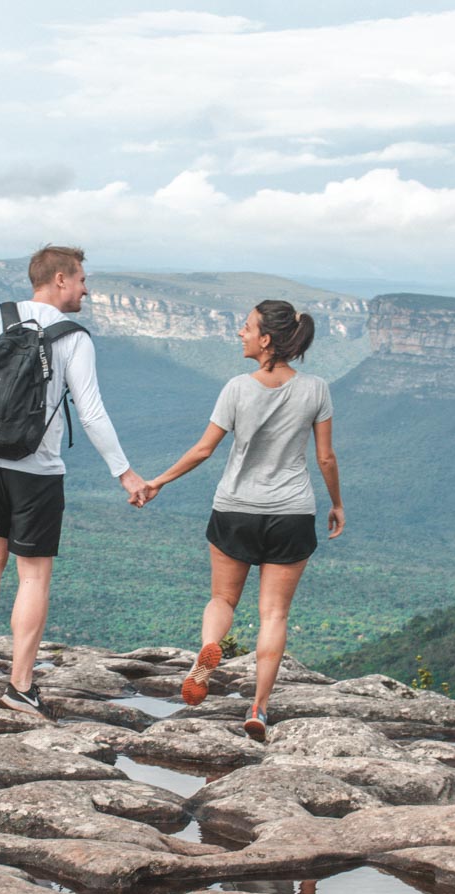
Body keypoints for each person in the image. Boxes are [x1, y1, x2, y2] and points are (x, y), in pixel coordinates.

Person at [0, 245, 149, 720]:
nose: (85, 289)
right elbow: (91, 413)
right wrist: (124, 471)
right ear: (58, 279)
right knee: (32, 575)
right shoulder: (74, 337)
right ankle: (19, 685)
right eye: (80, 280)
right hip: (36, 469)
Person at [139, 300, 344, 741]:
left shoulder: (236, 388)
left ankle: (207, 652)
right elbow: (325, 456)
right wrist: (336, 503)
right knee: (273, 614)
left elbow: (202, 450)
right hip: (291, 513)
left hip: (235, 509)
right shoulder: (316, 389)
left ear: (266, 340)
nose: (240, 333)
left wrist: (158, 481)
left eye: (247, 327)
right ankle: (258, 707)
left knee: (222, 600)